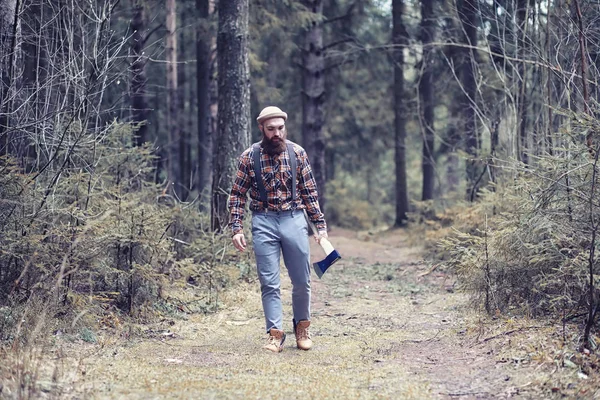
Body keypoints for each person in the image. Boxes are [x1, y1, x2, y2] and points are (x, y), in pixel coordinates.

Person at [228, 106, 328, 353]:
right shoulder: (249, 157)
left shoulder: (298, 153)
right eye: (271, 129)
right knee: (269, 282)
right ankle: (275, 334)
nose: (277, 133)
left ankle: (302, 328)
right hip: (263, 221)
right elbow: (237, 194)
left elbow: (309, 192)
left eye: (280, 128)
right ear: (262, 128)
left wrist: (320, 225)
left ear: (285, 127)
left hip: (294, 219)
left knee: (301, 280)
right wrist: (236, 228)